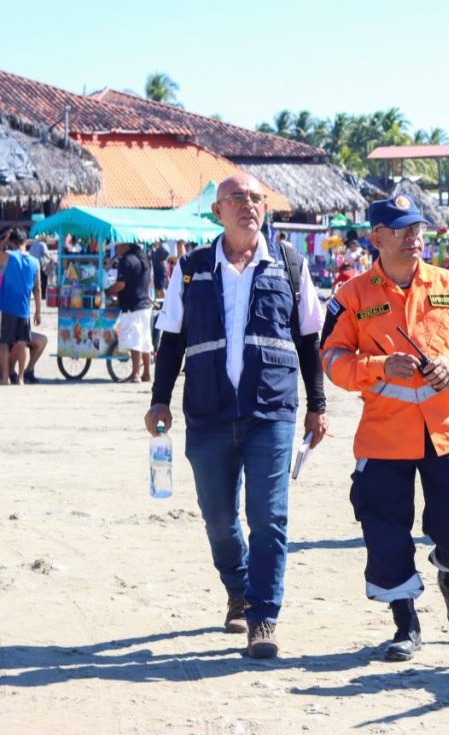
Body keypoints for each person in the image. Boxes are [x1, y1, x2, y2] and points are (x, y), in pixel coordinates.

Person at [144, 173, 329, 660]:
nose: (248, 205)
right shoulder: (190, 269)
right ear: (217, 212)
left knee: (269, 515)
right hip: (206, 413)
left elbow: (310, 340)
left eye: (255, 198)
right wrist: (159, 399)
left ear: (265, 209)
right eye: (237, 198)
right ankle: (238, 588)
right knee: (219, 518)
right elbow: (171, 342)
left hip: (272, 411)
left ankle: (263, 616)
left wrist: (319, 406)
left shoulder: (289, 264)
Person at [320, 195, 449, 662]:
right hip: (383, 436)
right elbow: (331, 360)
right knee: (385, 532)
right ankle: (405, 623)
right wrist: (377, 366)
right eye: (401, 229)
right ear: (376, 237)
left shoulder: (448, 283)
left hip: (447, 431)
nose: (414, 237)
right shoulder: (351, 295)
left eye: (417, 228)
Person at [0, 227, 41, 385]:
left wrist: (4, 241)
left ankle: (4, 378)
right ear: (26, 242)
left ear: (12, 241)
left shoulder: (8, 256)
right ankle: (21, 378)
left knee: (4, 343)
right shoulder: (35, 262)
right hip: (25, 309)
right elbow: (37, 289)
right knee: (22, 343)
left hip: (8, 307)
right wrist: (38, 312)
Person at [107, 243, 153, 383]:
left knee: (135, 341)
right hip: (145, 304)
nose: (116, 249)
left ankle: (135, 374)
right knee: (145, 341)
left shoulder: (126, 261)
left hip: (133, 306)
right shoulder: (143, 258)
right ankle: (146, 373)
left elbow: (120, 285)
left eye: (117, 246)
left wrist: (107, 291)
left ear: (124, 245)